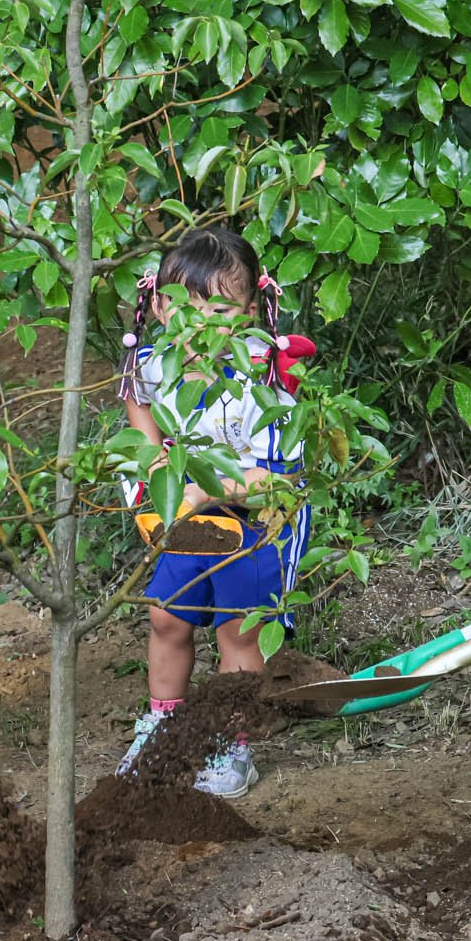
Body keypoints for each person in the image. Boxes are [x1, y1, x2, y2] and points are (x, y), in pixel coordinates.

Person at [112, 226, 311, 801]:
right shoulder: (150, 365)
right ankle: (164, 723)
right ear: (158, 304)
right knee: (166, 618)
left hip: (256, 524)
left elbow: (277, 479)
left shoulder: (266, 379)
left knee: (236, 631)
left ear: (250, 309)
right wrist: (151, 481)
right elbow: (139, 411)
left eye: (219, 308)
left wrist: (203, 490)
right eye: (183, 306)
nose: (198, 322)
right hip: (189, 520)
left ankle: (230, 743)